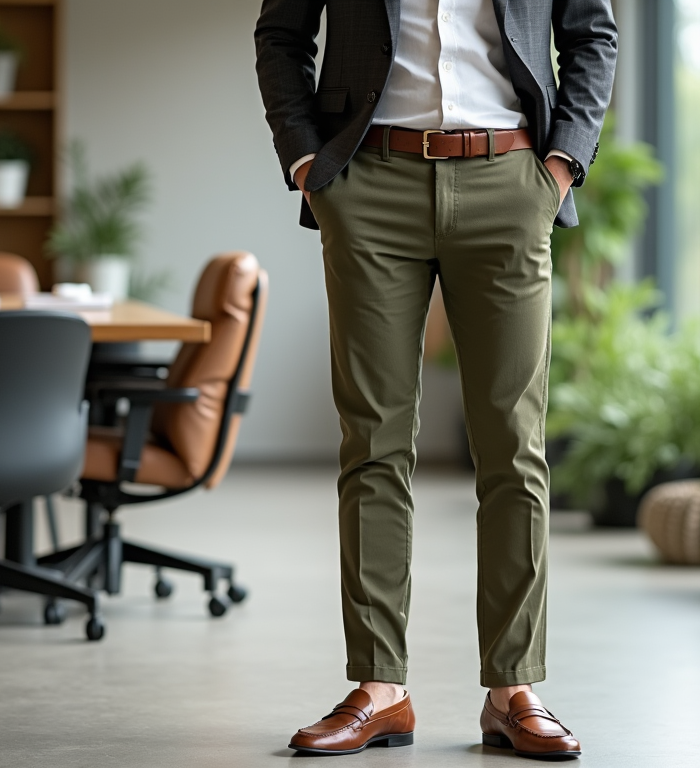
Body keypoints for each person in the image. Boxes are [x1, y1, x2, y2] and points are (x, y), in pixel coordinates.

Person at [255, 0, 617, 759]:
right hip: (370, 181)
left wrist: (560, 165)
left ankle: (514, 687)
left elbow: (592, 33)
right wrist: (306, 162)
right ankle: (380, 688)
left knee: (514, 447)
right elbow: (282, 34)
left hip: (509, 181)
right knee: (374, 442)